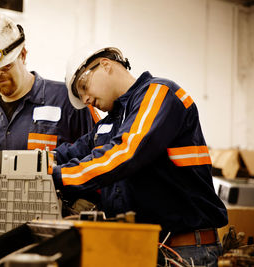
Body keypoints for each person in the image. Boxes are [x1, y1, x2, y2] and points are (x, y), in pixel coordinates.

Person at [52, 45, 228, 266]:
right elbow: (73, 152)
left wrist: (57, 176)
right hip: (142, 248)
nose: (86, 99)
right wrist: (33, 163)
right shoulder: (111, 124)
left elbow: (126, 152)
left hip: (186, 251)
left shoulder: (160, 93)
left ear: (105, 65)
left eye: (84, 87)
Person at [0, 14, 96, 216]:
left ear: (23, 55)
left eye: (6, 67)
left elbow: (98, 156)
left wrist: (85, 203)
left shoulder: (68, 101)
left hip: (54, 232)